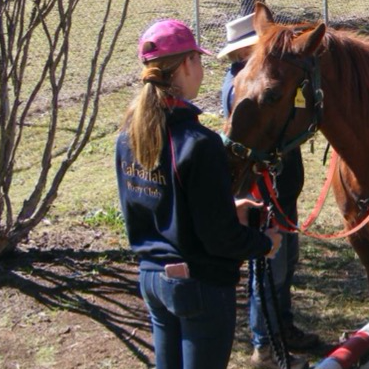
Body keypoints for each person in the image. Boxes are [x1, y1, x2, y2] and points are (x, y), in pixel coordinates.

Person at [116, 19, 283, 369]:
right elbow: (219, 238)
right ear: (188, 64)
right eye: (199, 60)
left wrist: (224, 204)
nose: (202, 69)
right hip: (199, 286)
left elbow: (152, 202)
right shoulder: (199, 144)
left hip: (152, 279)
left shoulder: (129, 136)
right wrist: (264, 244)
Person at [219, 14, 318, 369]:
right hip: (263, 194)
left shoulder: (257, 79)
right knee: (267, 269)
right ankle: (265, 346)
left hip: (281, 190)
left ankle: (283, 328)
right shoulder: (243, 87)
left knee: (285, 261)